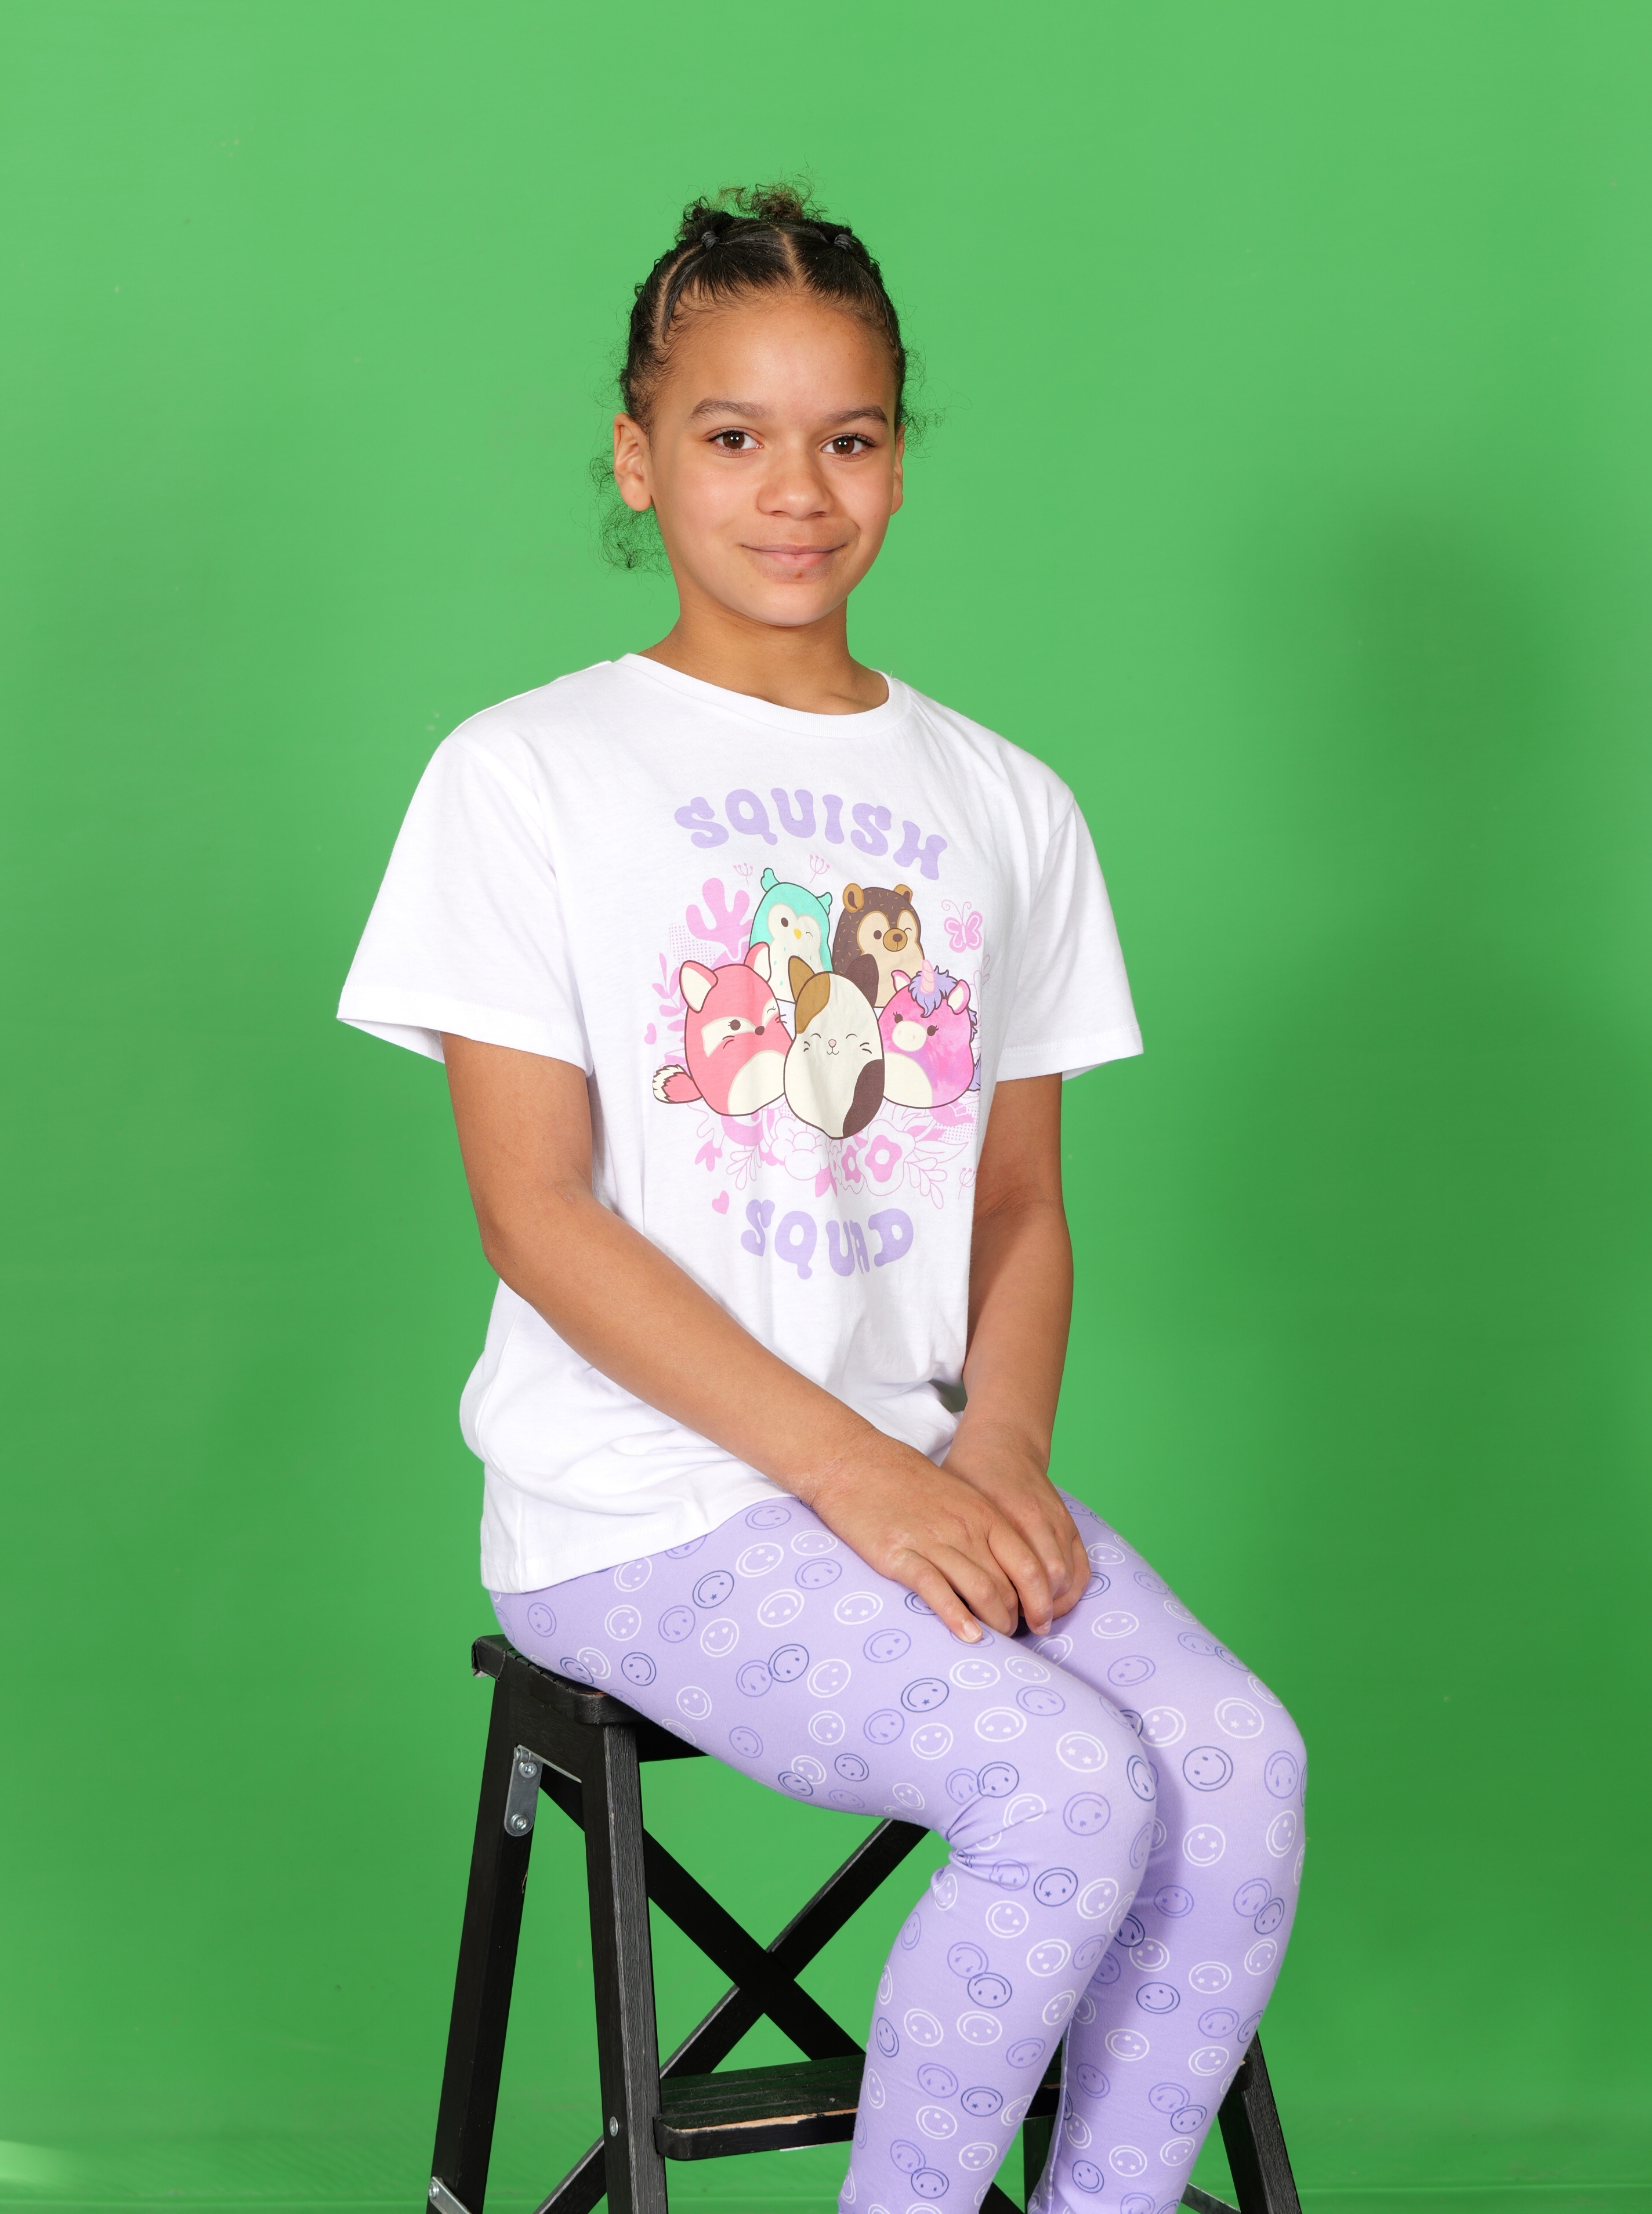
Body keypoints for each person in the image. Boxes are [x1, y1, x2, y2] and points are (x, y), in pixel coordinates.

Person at [339, 185, 1305, 2214]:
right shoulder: (524, 775)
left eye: (848, 436)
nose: (797, 490)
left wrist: (1002, 1453)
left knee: (1237, 1769)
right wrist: (862, 1482)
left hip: (931, 1474)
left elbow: (1020, 1205)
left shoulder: (1007, 801)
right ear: (638, 456)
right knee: (1063, 1785)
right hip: (640, 1514)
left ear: (898, 459)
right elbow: (539, 1216)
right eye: (733, 434)